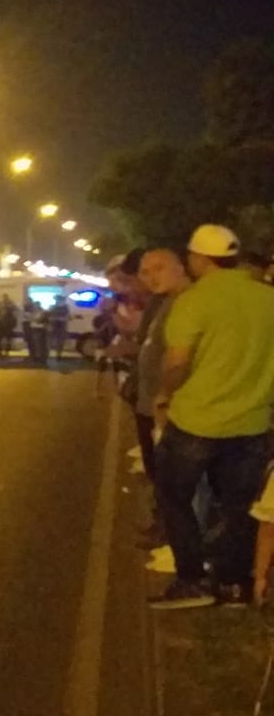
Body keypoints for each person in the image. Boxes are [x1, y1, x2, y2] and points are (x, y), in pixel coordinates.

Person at [149, 225, 274, 610]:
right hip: (252, 423)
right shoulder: (267, 298)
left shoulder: (195, 299)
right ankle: (234, 583)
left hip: (196, 420)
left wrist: (164, 394)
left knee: (173, 496)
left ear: (199, 259)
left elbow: (177, 362)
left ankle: (192, 580)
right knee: (239, 507)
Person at [135, 248, 192, 538]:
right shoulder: (165, 301)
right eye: (145, 272)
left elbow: (180, 359)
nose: (151, 277)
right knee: (158, 471)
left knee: (172, 477)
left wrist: (165, 398)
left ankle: (172, 533)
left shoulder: (186, 303)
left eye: (159, 268)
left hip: (166, 408)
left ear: (180, 267)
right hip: (150, 403)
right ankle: (164, 524)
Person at [48, 295, 71, 360]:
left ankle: (58, 355)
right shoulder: (53, 307)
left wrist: (61, 318)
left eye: (58, 299)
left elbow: (67, 316)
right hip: (55, 326)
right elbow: (49, 316)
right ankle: (53, 354)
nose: (57, 301)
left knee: (59, 342)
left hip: (60, 326)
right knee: (52, 341)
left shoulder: (65, 307)